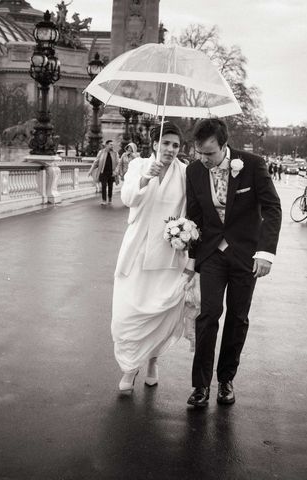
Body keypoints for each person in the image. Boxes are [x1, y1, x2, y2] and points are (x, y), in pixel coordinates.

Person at [185, 118, 282, 407]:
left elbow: (272, 208)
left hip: (245, 256)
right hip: (212, 254)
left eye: (210, 153)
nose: (203, 159)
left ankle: (225, 380)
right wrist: (191, 257)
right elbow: (194, 216)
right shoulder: (193, 171)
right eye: (199, 152)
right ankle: (200, 385)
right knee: (207, 315)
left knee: (237, 318)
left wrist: (265, 253)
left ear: (225, 146)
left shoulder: (251, 164)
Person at [111, 122, 191, 393]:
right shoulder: (139, 165)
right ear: (155, 143)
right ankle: (129, 368)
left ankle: (153, 362)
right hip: (137, 250)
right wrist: (146, 178)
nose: (170, 149)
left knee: (162, 311)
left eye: (175, 145)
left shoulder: (185, 172)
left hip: (168, 253)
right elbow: (127, 198)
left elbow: (190, 209)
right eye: (165, 143)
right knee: (130, 311)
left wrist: (186, 233)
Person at [88, 140, 119, 205]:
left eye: (112, 145)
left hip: (111, 173)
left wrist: (115, 172)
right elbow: (96, 162)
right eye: (110, 144)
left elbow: (117, 163)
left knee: (110, 187)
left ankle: (110, 199)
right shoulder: (101, 152)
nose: (112, 146)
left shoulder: (115, 153)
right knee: (104, 186)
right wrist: (90, 170)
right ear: (106, 145)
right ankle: (104, 200)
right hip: (103, 172)